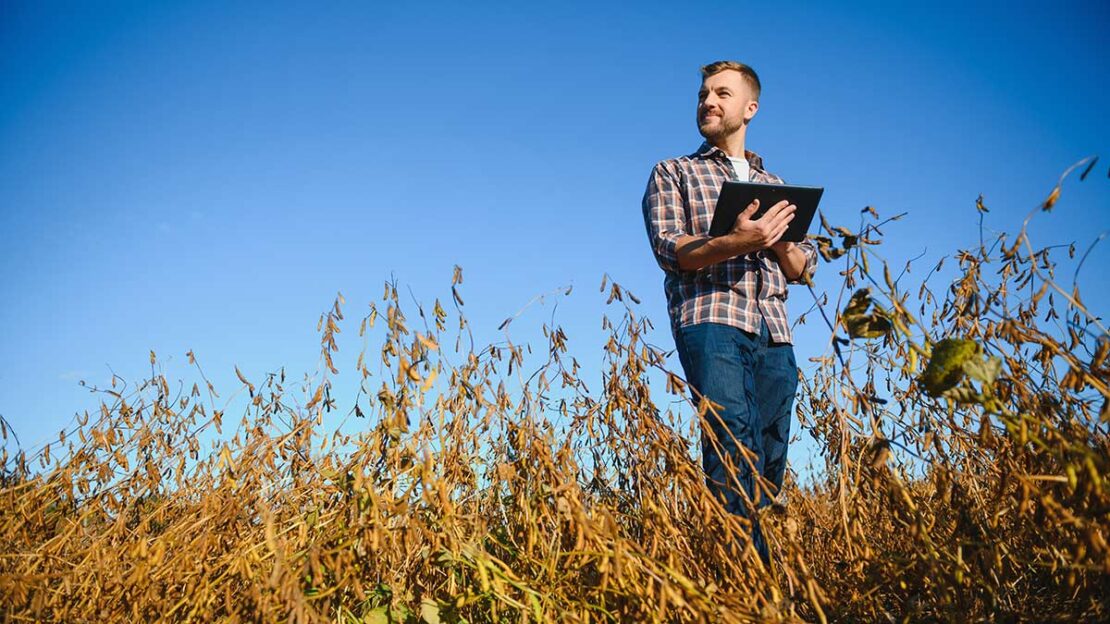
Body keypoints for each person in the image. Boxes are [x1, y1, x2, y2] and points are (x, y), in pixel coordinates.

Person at [641, 60, 817, 563]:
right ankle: (752, 592)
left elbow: (803, 268)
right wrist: (737, 241)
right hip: (711, 320)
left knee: (768, 456)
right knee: (730, 447)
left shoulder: (778, 183)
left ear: (750, 108)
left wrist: (776, 243)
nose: (708, 102)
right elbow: (673, 251)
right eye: (703, 94)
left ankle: (742, 564)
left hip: (774, 332)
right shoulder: (674, 172)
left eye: (721, 93)